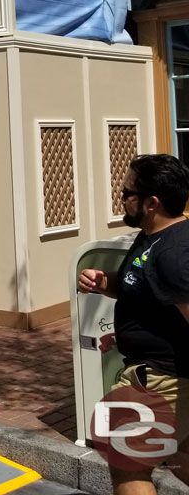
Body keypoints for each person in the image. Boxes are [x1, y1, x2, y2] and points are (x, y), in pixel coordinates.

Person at [78, 153, 189, 494]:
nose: (121, 198)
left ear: (151, 202)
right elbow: (144, 287)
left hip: (160, 379)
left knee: (128, 465)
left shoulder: (172, 254)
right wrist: (105, 283)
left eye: (127, 193)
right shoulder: (153, 236)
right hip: (164, 376)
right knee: (182, 454)